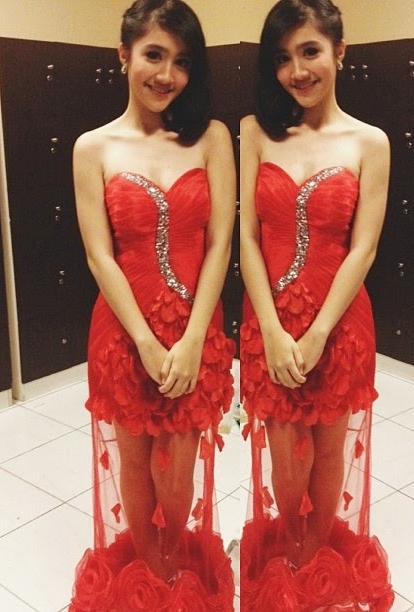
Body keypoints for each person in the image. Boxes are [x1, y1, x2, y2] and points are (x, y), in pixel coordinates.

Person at [68, 1, 236, 609]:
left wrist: (193, 339)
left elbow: (220, 243)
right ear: (124, 55)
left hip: (196, 329)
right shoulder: (93, 147)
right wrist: (143, 339)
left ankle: (174, 579)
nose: (167, 75)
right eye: (154, 56)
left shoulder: (211, 138)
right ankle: (149, 585)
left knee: (177, 470)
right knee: (135, 466)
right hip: (122, 333)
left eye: (182, 62)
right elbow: (99, 255)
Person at [239, 0, 394, 609]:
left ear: (340, 51)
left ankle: (314, 570)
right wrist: (272, 330)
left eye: (310, 52)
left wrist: (320, 330)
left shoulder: (370, 142)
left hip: (341, 322)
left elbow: (364, 247)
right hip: (269, 322)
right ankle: (292, 561)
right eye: (283, 58)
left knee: (330, 451)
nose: (297, 71)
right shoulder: (256, 132)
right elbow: (248, 239)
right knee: (286, 459)